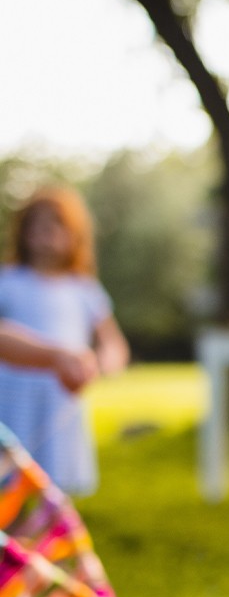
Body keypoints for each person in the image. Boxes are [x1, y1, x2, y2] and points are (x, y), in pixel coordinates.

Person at [0, 186, 129, 495]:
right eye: (36, 223)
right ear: (23, 231)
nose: (45, 231)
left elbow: (113, 344)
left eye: (55, 223)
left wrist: (98, 363)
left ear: (75, 234)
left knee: (56, 491)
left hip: (61, 400)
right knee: (10, 484)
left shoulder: (83, 289)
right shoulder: (8, 280)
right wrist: (57, 356)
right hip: (12, 398)